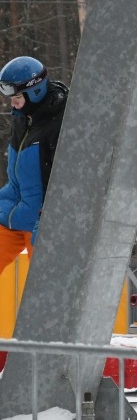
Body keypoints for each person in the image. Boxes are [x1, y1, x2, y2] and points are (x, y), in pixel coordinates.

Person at [0, 56, 68, 268]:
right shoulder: (23, 116)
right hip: (11, 211)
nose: (12, 103)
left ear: (34, 91)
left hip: (40, 222)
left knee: (43, 291)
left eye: (17, 97)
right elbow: (18, 178)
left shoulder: (62, 123)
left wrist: (47, 220)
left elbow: (66, 183)